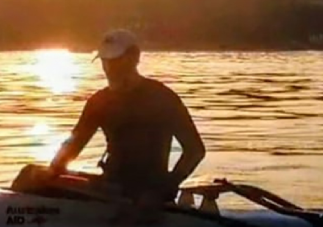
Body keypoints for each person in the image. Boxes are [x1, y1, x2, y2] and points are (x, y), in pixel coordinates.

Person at [46, 29, 207, 210]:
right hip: (110, 188)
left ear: (134, 57)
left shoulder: (162, 98)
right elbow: (74, 142)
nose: (108, 68)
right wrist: (52, 170)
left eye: (115, 61)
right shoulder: (98, 102)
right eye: (104, 61)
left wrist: (165, 189)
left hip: (148, 192)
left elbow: (195, 151)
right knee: (29, 174)